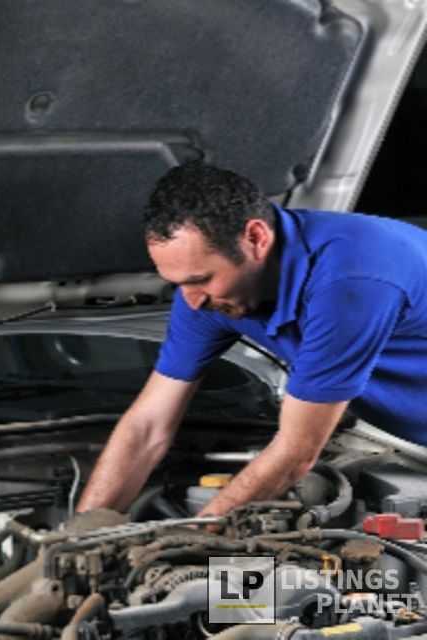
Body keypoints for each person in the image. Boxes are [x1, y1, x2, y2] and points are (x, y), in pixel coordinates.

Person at [76, 162, 427, 518]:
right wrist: (80, 531)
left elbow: (296, 453)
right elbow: (147, 427)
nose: (191, 300)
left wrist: (190, 536)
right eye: (177, 283)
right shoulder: (207, 295)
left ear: (257, 238)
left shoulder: (352, 278)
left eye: (201, 279)